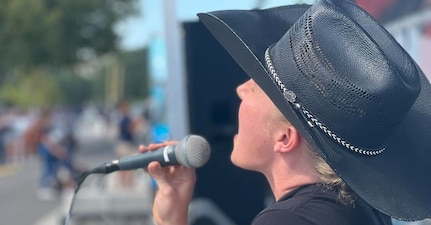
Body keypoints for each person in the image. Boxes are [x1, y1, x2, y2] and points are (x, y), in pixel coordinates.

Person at [140, 0, 431, 224]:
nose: (240, 90)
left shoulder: (291, 220)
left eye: (255, 87)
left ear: (285, 137)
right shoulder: (358, 207)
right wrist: (173, 212)